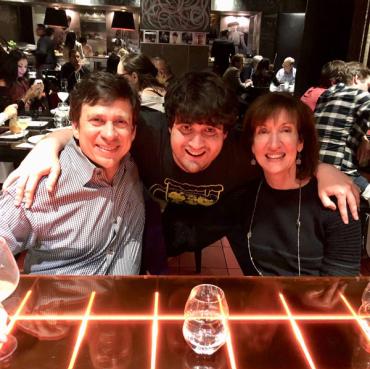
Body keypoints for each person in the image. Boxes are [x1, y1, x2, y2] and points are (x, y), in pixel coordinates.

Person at [2, 72, 359, 272]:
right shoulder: (145, 135)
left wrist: (323, 169)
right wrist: (50, 143)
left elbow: (279, 152)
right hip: (158, 217)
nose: (196, 144)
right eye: (186, 129)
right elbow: (100, 129)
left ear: (227, 133)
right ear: (168, 125)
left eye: (210, 132)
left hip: (214, 217)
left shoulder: (241, 151)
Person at [0, 72, 144, 275]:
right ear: (75, 127)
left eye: (120, 122)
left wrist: (51, 139)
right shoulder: (41, 183)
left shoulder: (129, 165)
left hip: (121, 301)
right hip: (57, 304)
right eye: (97, 120)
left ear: (133, 131)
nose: (110, 135)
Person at [222, 93, 361, 276]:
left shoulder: (335, 202)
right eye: (263, 131)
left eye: (285, 130)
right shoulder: (244, 198)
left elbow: (340, 285)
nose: (273, 144)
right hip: (262, 302)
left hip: (318, 304)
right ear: (252, 145)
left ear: (300, 142)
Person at [314, 61, 370, 200]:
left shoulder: (326, 94)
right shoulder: (362, 96)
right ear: (356, 78)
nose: (368, 90)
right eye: (368, 85)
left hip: (314, 166)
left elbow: (339, 126)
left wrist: (364, 139)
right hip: (341, 170)